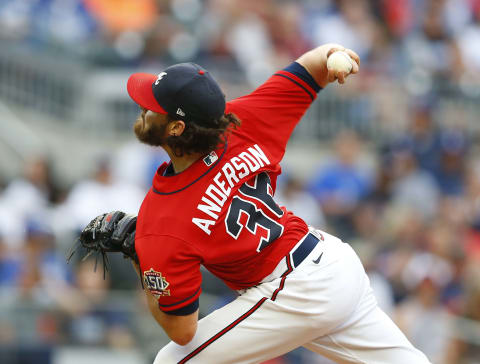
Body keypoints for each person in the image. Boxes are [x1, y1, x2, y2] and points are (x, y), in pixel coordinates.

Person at [86, 43, 432, 363]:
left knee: (172, 361)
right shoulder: (241, 122)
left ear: (176, 127)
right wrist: (333, 55)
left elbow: (182, 330)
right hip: (332, 262)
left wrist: (140, 260)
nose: (142, 107)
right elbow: (314, 66)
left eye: (152, 106)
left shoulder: (163, 219)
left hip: (296, 288)